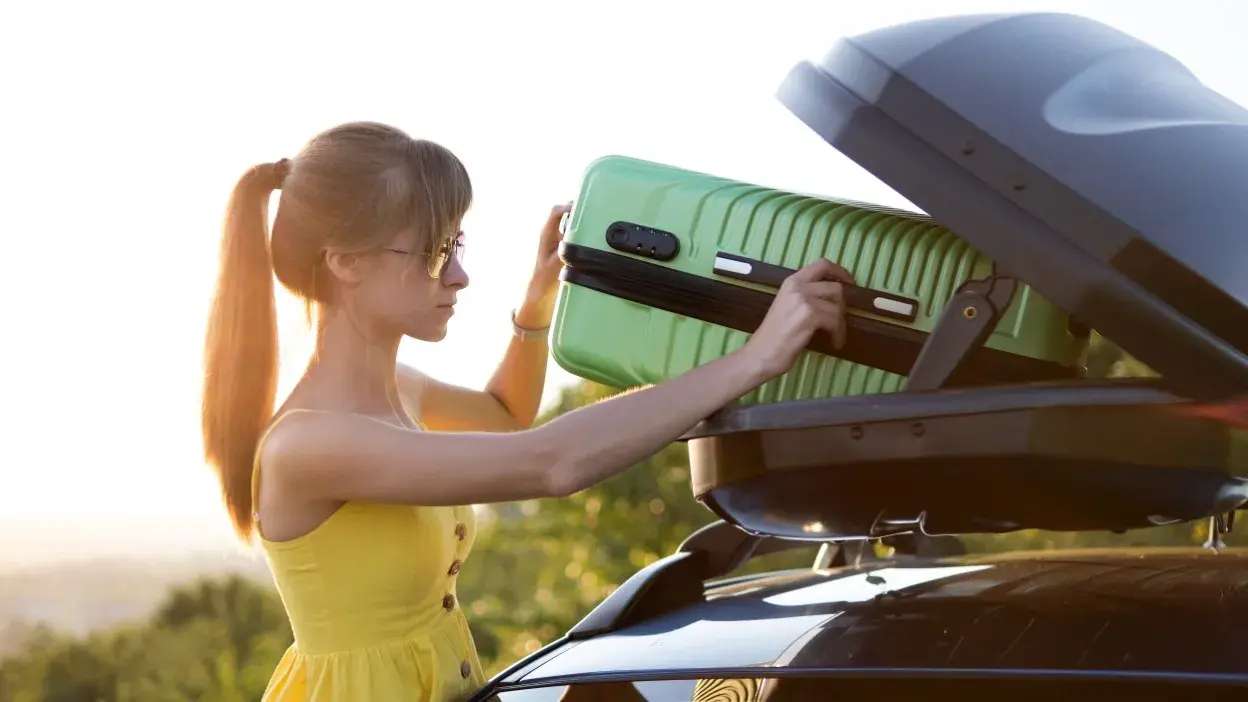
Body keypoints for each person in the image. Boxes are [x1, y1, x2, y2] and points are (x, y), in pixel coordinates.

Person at [201, 121, 854, 701]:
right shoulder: (312, 445)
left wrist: (537, 300)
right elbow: (550, 463)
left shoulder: (400, 390)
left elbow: (505, 413)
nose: (457, 275)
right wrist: (752, 360)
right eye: (432, 251)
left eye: (457, 245)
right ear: (344, 261)